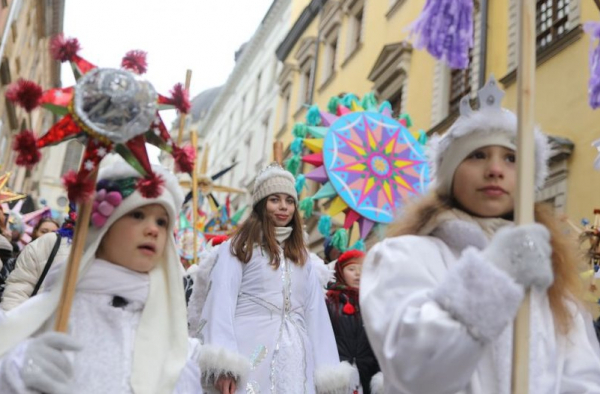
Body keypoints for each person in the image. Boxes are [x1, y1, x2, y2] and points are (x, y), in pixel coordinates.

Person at [360, 76, 600, 393]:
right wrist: (496, 272)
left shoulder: (545, 273)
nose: (495, 170)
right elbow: (413, 370)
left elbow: (581, 375)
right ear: (450, 173)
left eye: (511, 158)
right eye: (477, 155)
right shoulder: (401, 255)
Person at [0, 160, 202, 393]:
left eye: (161, 221)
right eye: (137, 215)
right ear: (104, 228)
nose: (153, 229)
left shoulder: (168, 323)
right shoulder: (57, 308)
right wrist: (16, 368)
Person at [196, 163, 357, 394]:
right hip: (250, 351)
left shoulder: (302, 257)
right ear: (262, 204)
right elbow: (220, 303)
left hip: (297, 359)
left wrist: (328, 371)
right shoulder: (239, 247)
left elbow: (316, 316)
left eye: (289, 201)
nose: (283, 207)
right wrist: (225, 366)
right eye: (275, 199)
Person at [325, 250, 382, 394]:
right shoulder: (329, 301)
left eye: (362, 270)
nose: (358, 274)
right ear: (340, 272)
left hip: (368, 371)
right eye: (351, 269)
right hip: (337, 373)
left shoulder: (375, 302)